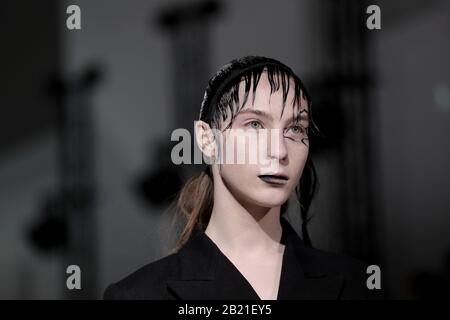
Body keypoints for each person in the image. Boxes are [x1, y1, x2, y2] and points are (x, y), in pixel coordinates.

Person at [104, 56, 381, 300]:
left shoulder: (355, 285)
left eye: (296, 128)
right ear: (207, 140)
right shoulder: (141, 295)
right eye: (255, 124)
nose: (280, 150)